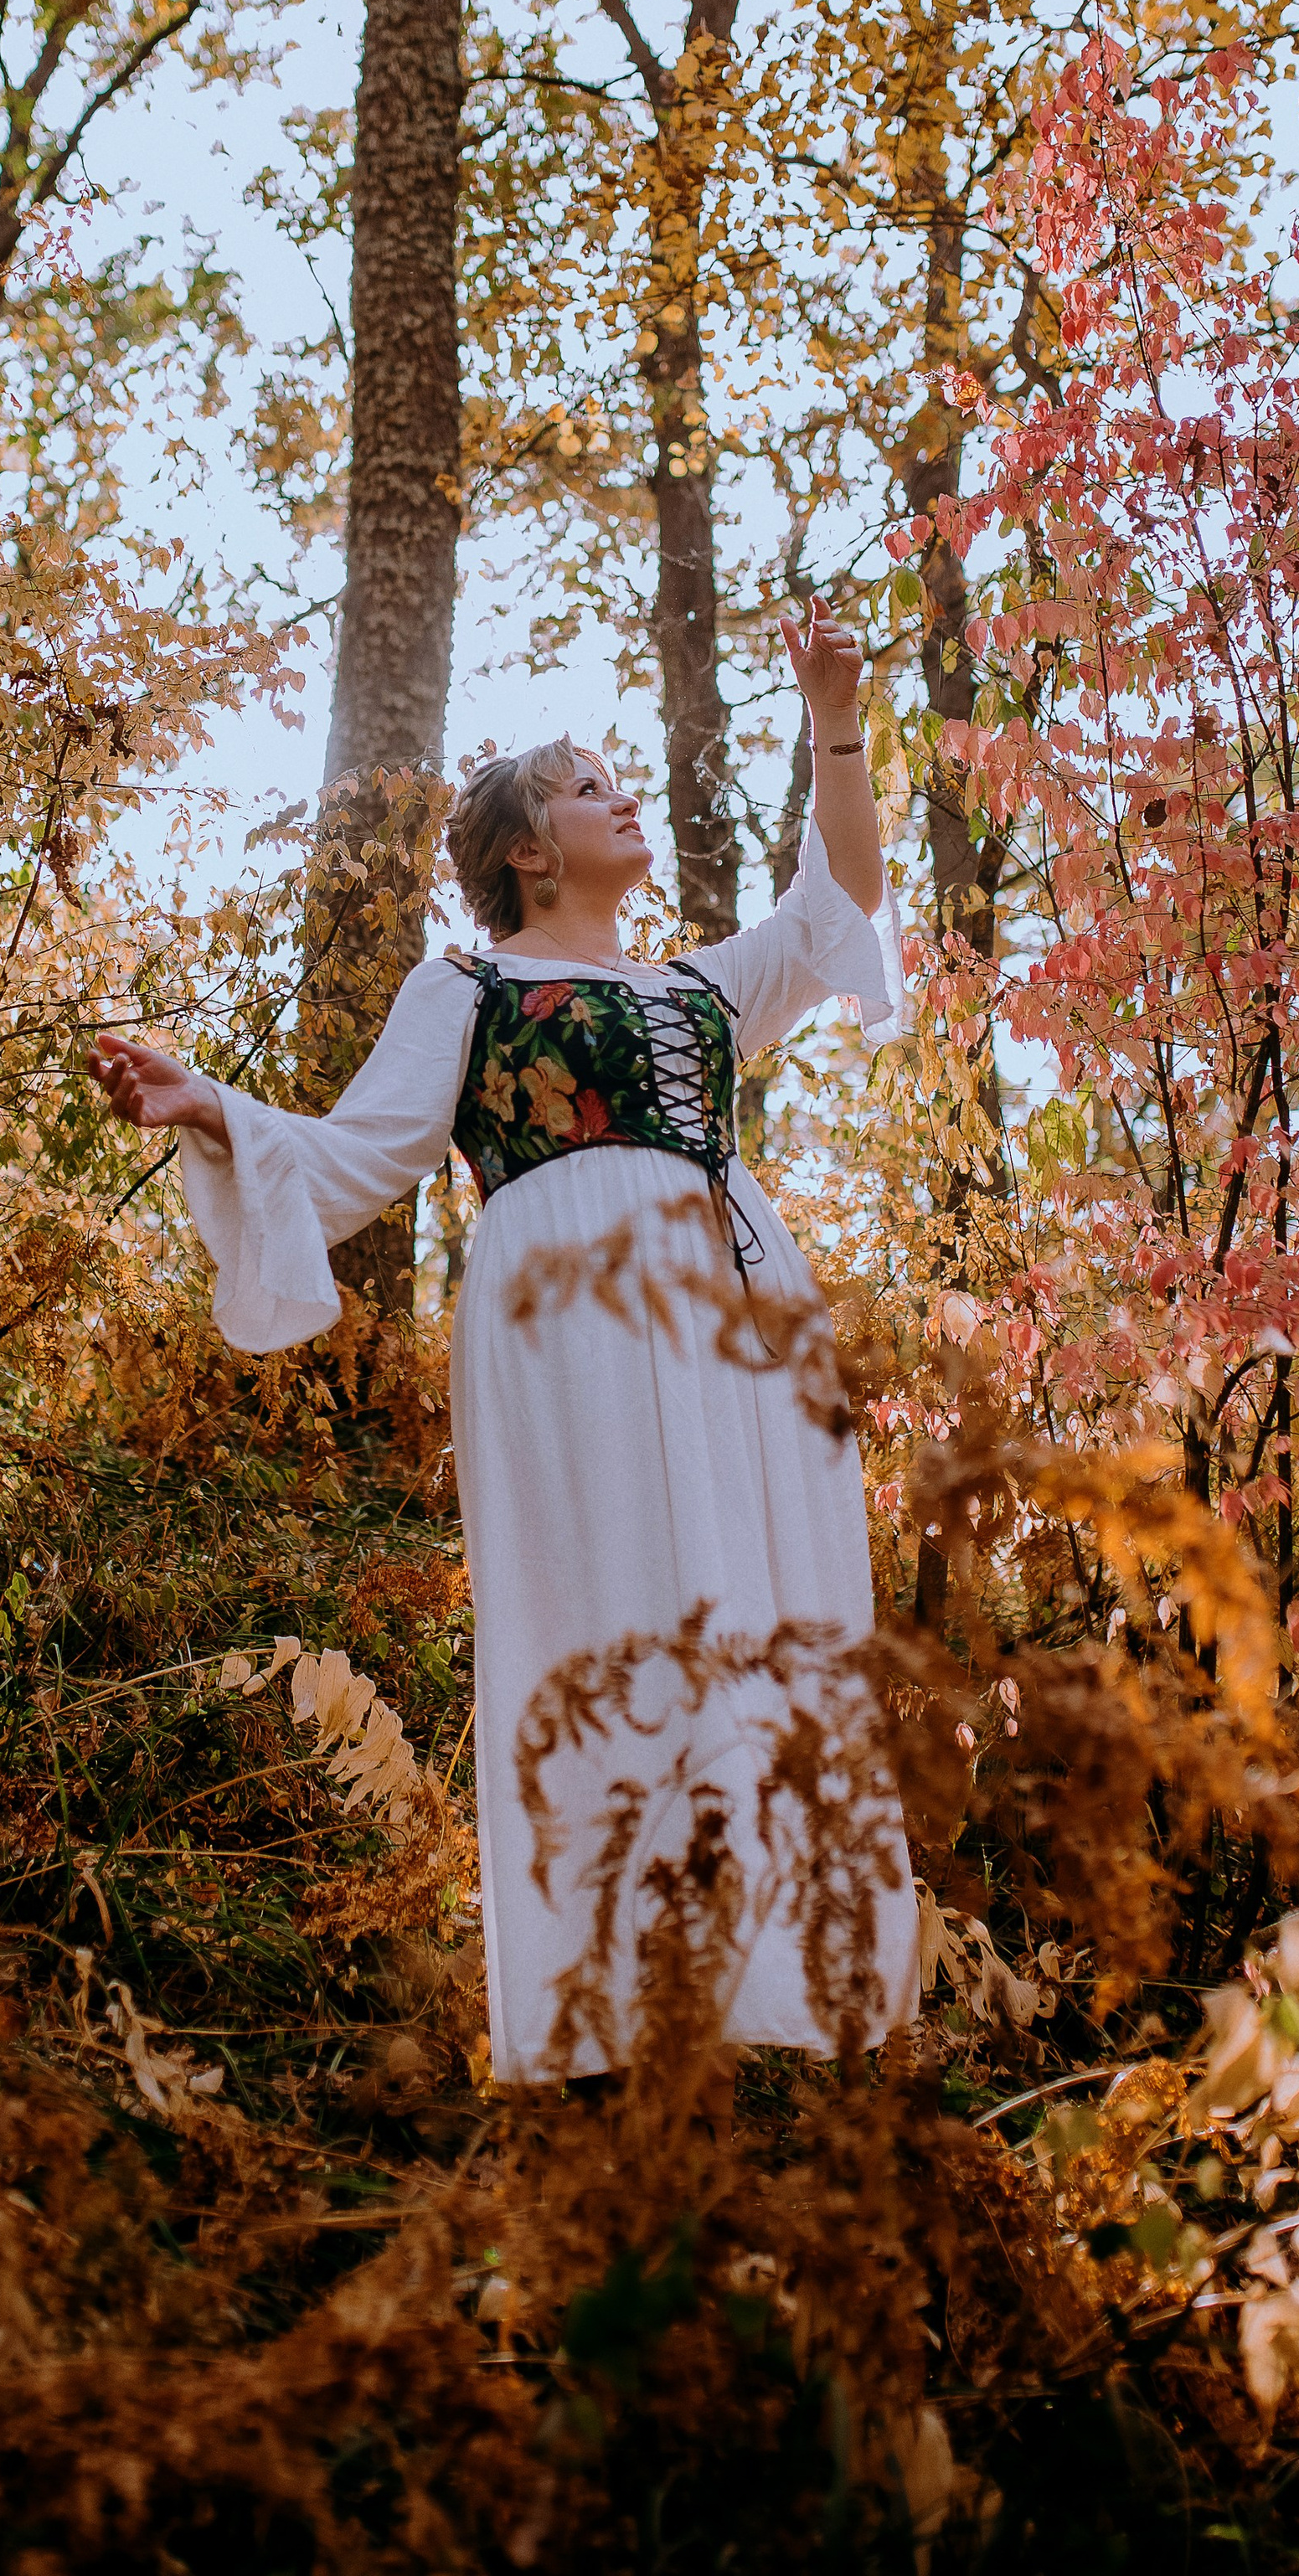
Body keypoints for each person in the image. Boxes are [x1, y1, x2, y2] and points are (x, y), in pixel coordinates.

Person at [89, 597, 920, 2083]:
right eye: (590, 785)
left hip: (736, 1314)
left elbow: (834, 905)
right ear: (531, 851)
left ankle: (776, 1993)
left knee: (759, 1606)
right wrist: (210, 1103)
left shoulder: (693, 991)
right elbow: (355, 1157)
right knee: (608, 1618)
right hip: (568, 1323)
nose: (623, 797)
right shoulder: (464, 988)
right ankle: (620, 2009)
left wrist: (833, 716)